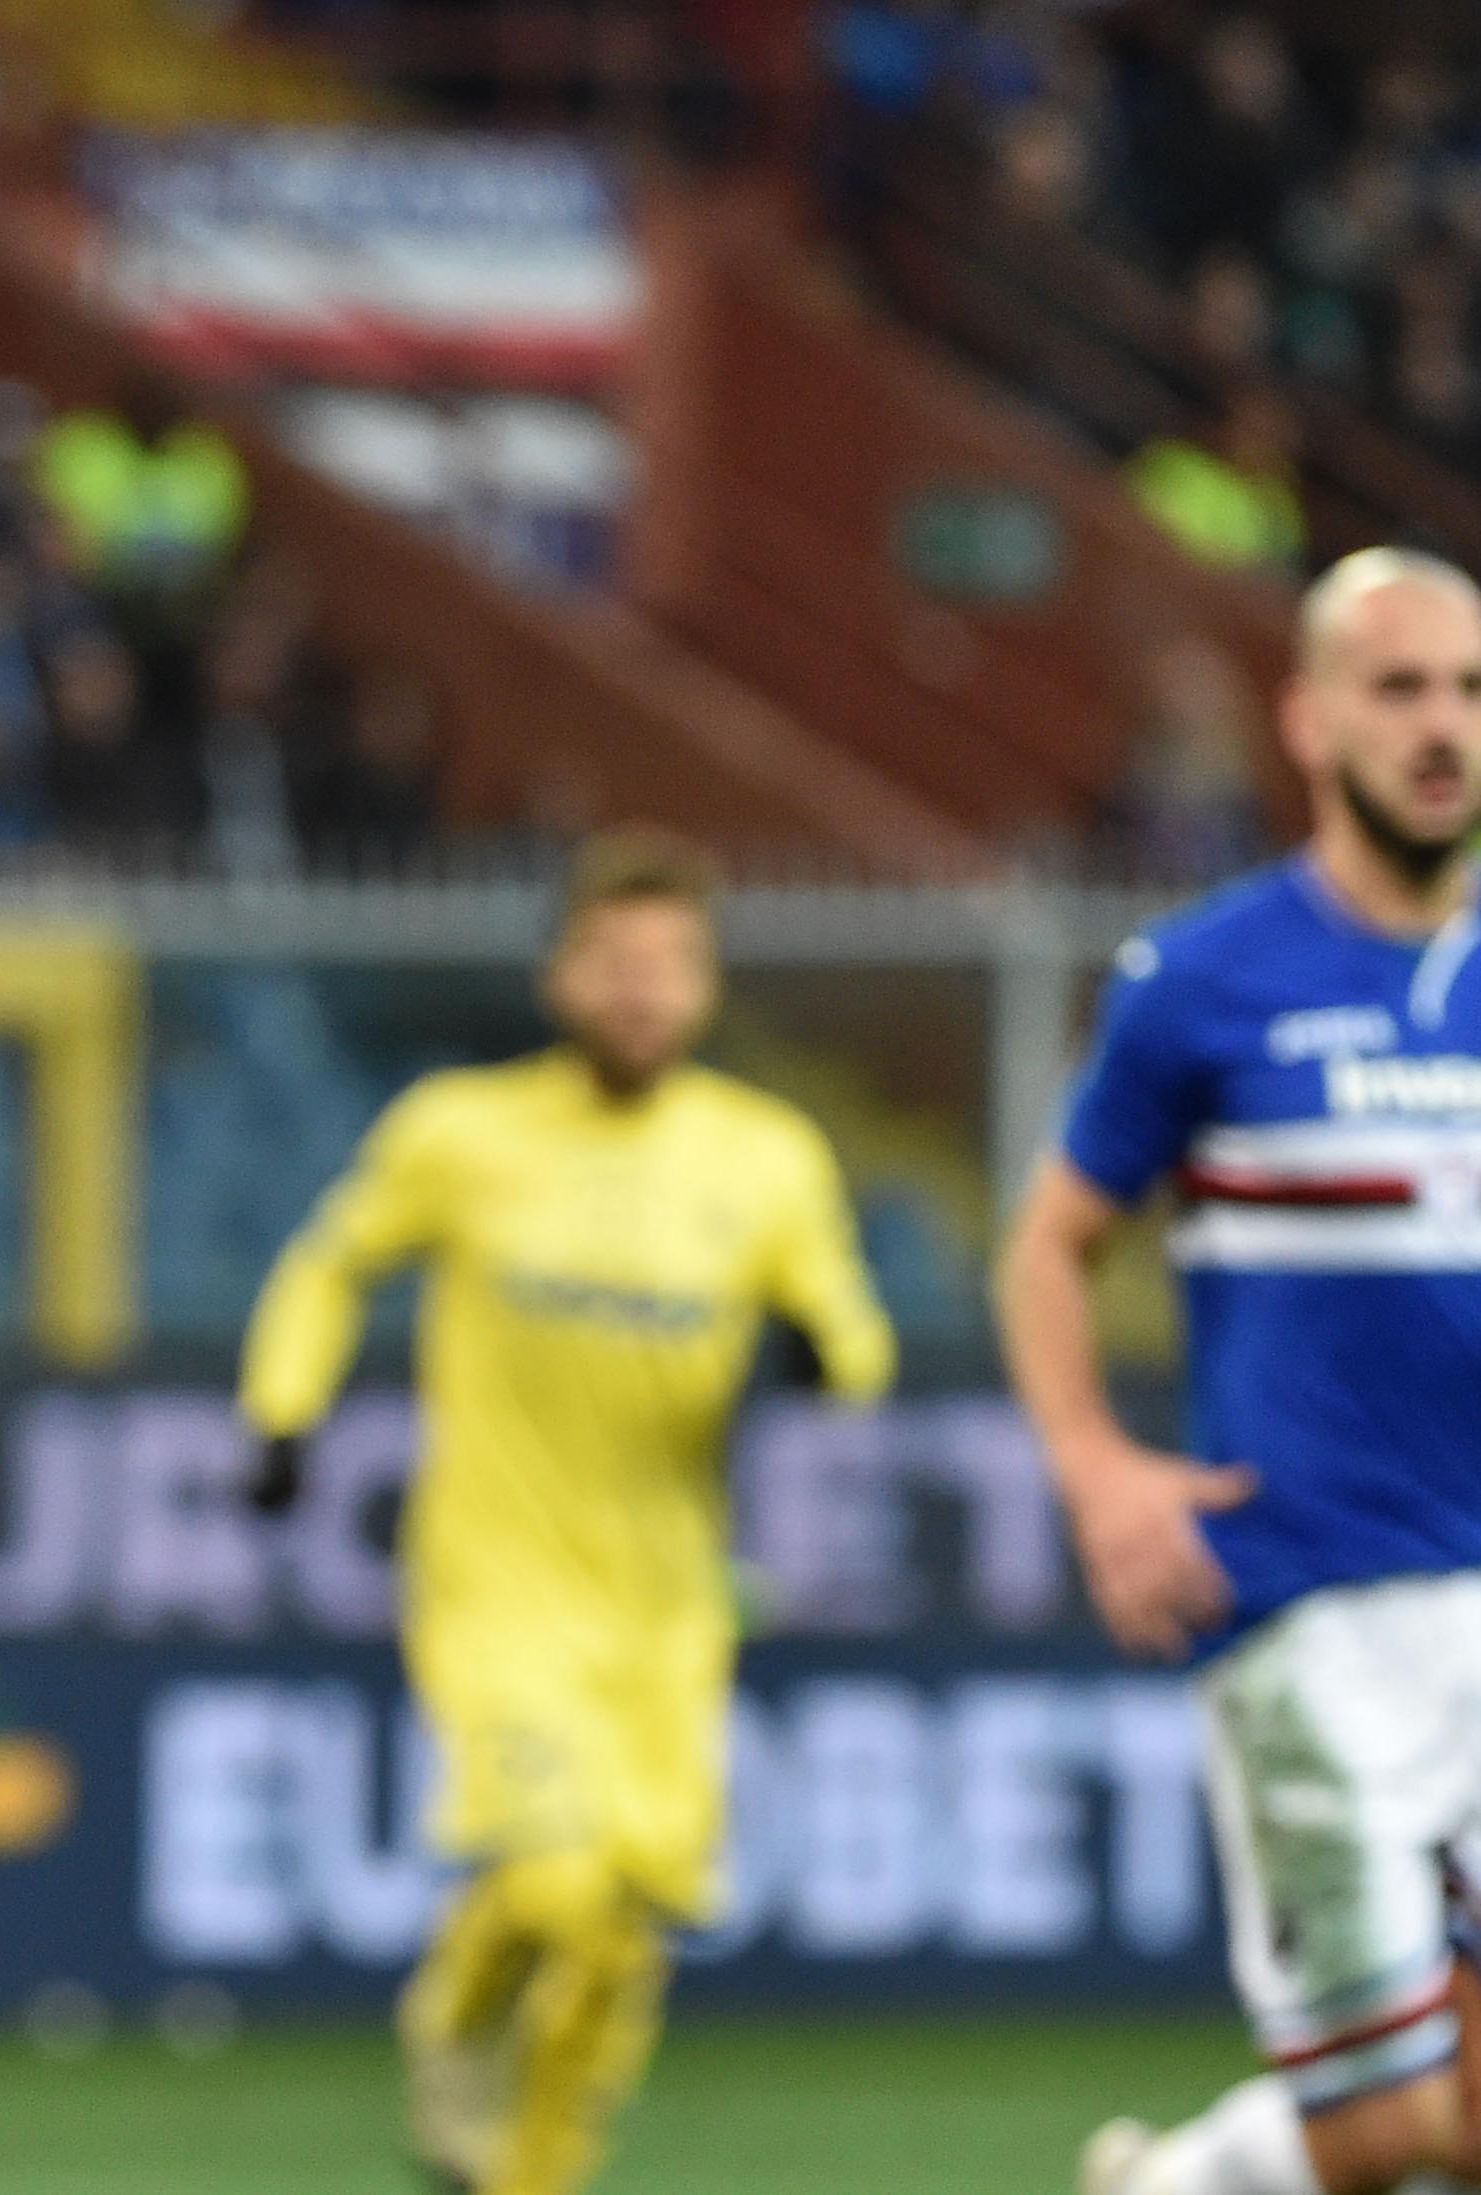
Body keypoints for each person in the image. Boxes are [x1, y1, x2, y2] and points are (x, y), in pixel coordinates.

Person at [235, 826, 894, 2195]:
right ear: (558, 976)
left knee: (626, 1937)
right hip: (499, 1582)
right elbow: (329, 1265)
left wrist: (823, 1359)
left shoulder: (764, 1158)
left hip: (668, 1606)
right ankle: (454, 2020)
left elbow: (849, 1327)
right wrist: (285, 1409)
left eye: (671, 964)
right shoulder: (462, 1134)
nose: (641, 990)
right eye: (613, 959)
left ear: (708, 989)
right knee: (555, 1886)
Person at [998, 548, 1481, 2195]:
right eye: (1400, 687)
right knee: (1387, 2128)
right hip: (1317, 1607)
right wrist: (1095, 1465)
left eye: (1471, 691)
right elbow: (1051, 1243)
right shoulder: (1204, 982)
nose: (1443, 728)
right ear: (1310, 719)